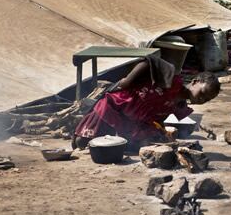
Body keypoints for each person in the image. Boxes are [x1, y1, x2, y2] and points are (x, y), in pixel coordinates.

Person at [73, 60, 220, 150]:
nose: (202, 100)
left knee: (149, 144)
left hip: (133, 123)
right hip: (115, 107)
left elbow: (158, 118)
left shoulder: (180, 105)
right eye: (202, 93)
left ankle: (120, 141)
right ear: (194, 82)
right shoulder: (172, 80)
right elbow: (149, 62)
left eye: (206, 99)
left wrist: (162, 131)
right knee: (81, 142)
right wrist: (128, 81)